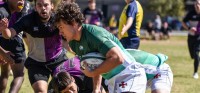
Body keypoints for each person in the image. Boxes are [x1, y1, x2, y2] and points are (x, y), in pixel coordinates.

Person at [54, 2, 147, 93]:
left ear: (73, 23)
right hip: (113, 80)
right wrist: (96, 89)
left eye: (61, 27)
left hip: (129, 74)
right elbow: (94, 62)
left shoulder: (93, 34)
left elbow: (117, 58)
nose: (60, 32)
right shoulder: (74, 44)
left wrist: (92, 73)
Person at [0, 0, 70, 92]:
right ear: (35, 7)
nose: (43, 8)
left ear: (52, 6)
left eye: (46, 5)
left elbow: (69, 38)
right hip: (37, 63)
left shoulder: (58, 19)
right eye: (39, 5)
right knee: (40, 90)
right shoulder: (27, 19)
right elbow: (9, 34)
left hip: (58, 61)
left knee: (65, 87)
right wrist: (4, 29)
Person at [0, 0, 30, 92]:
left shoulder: (8, 11)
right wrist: (3, 52)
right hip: (12, 41)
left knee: (5, 73)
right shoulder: (2, 12)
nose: (21, 1)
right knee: (19, 75)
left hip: (5, 39)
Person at [182, 0, 200, 79]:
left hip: (199, 37)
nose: (197, 5)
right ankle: (196, 58)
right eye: (196, 4)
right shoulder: (191, 13)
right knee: (192, 55)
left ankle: (195, 72)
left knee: (196, 54)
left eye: (199, 4)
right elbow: (183, 22)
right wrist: (189, 28)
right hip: (190, 37)